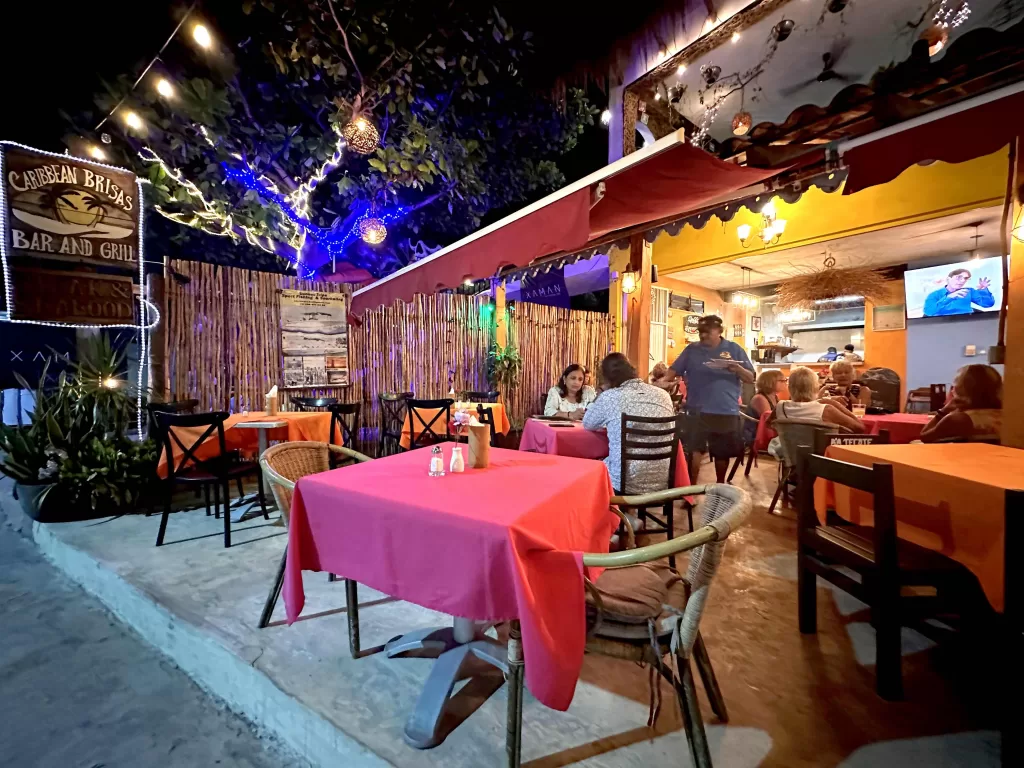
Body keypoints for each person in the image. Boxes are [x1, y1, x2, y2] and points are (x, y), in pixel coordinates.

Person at [667, 314, 755, 483]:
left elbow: (750, 378)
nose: (703, 335)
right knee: (694, 450)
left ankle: (720, 486)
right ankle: (691, 490)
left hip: (725, 409)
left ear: (719, 331)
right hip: (696, 408)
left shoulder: (734, 349)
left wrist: (737, 368)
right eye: (701, 332)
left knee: (722, 452)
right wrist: (662, 382)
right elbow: (673, 371)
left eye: (707, 331)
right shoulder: (692, 350)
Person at [583, 353, 675, 494]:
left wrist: (602, 394)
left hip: (624, 482)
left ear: (607, 378)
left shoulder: (610, 397)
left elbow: (588, 423)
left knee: (589, 469)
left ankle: (610, 514)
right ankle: (629, 513)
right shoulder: (663, 394)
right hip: (662, 479)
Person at [768, 366, 865, 435]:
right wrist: (832, 402)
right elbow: (860, 428)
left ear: (789, 387)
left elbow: (769, 425)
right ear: (815, 387)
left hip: (791, 456)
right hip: (823, 458)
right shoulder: (827, 409)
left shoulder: (780, 406)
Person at [920, 364, 1002, 443]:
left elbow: (924, 436)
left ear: (962, 388)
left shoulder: (959, 419)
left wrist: (943, 411)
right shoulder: (1006, 416)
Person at [923, 268, 995, 317]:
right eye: (959, 277)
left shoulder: (969, 291)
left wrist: (983, 290)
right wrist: (949, 297)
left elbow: (988, 304)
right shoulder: (934, 295)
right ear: (948, 279)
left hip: (968, 322)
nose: (962, 281)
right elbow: (929, 312)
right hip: (942, 325)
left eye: (965, 278)